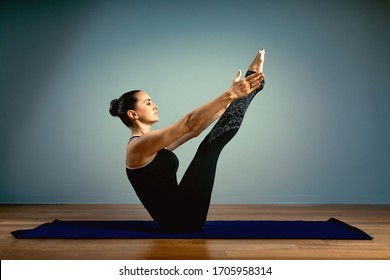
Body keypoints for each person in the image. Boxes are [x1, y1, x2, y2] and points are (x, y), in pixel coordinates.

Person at [110, 49, 265, 232]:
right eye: (148, 102)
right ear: (133, 114)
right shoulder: (138, 146)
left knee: (208, 142)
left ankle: (251, 90)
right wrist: (230, 94)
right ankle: (250, 91)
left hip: (182, 212)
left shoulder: (148, 144)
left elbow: (195, 130)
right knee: (208, 148)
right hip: (182, 221)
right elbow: (188, 124)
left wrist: (230, 102)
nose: (155, 105)